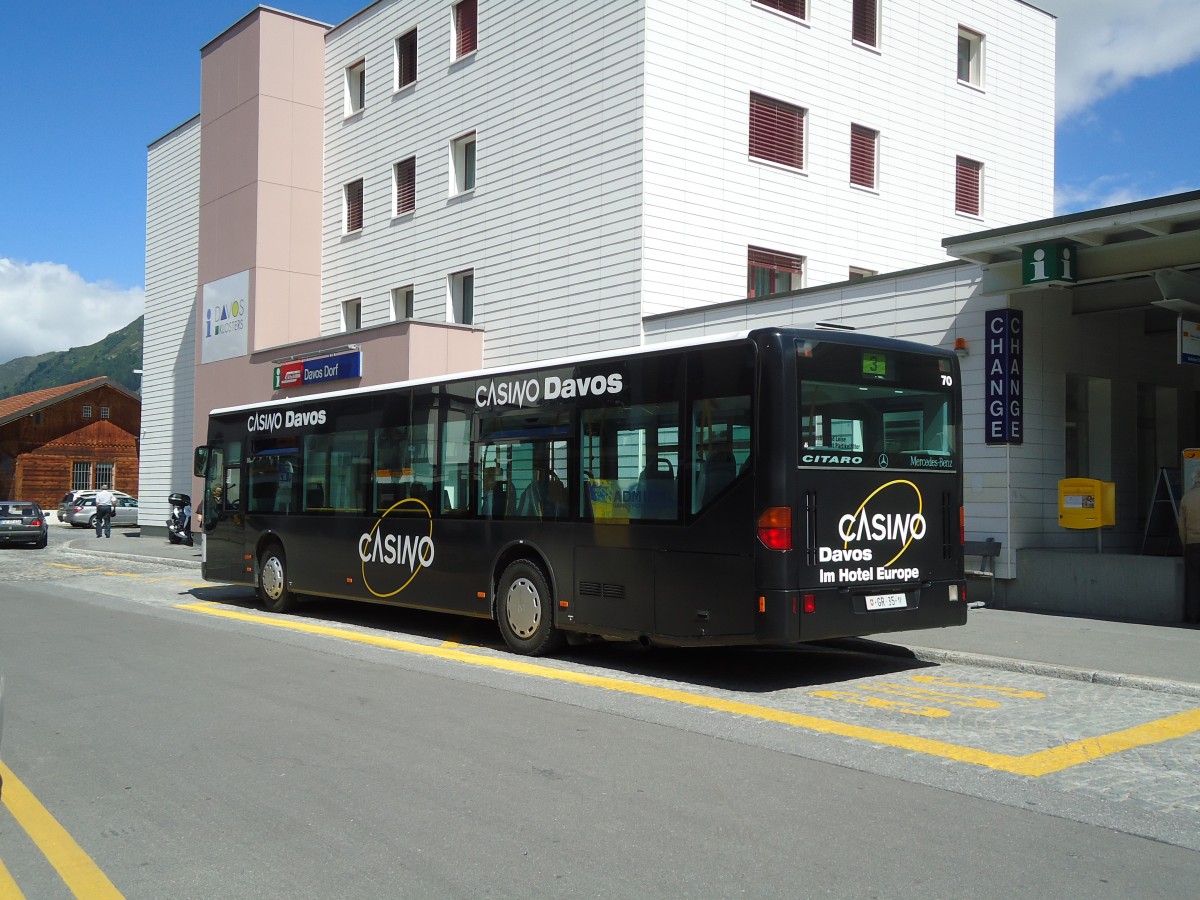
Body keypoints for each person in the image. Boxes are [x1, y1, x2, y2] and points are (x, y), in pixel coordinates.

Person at [1179, 469, 1200, 625]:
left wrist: (1185, 544)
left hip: (1192, 544)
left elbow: (1181, 526)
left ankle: (1193, 616)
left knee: (1193, 581)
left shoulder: (1187, 497)